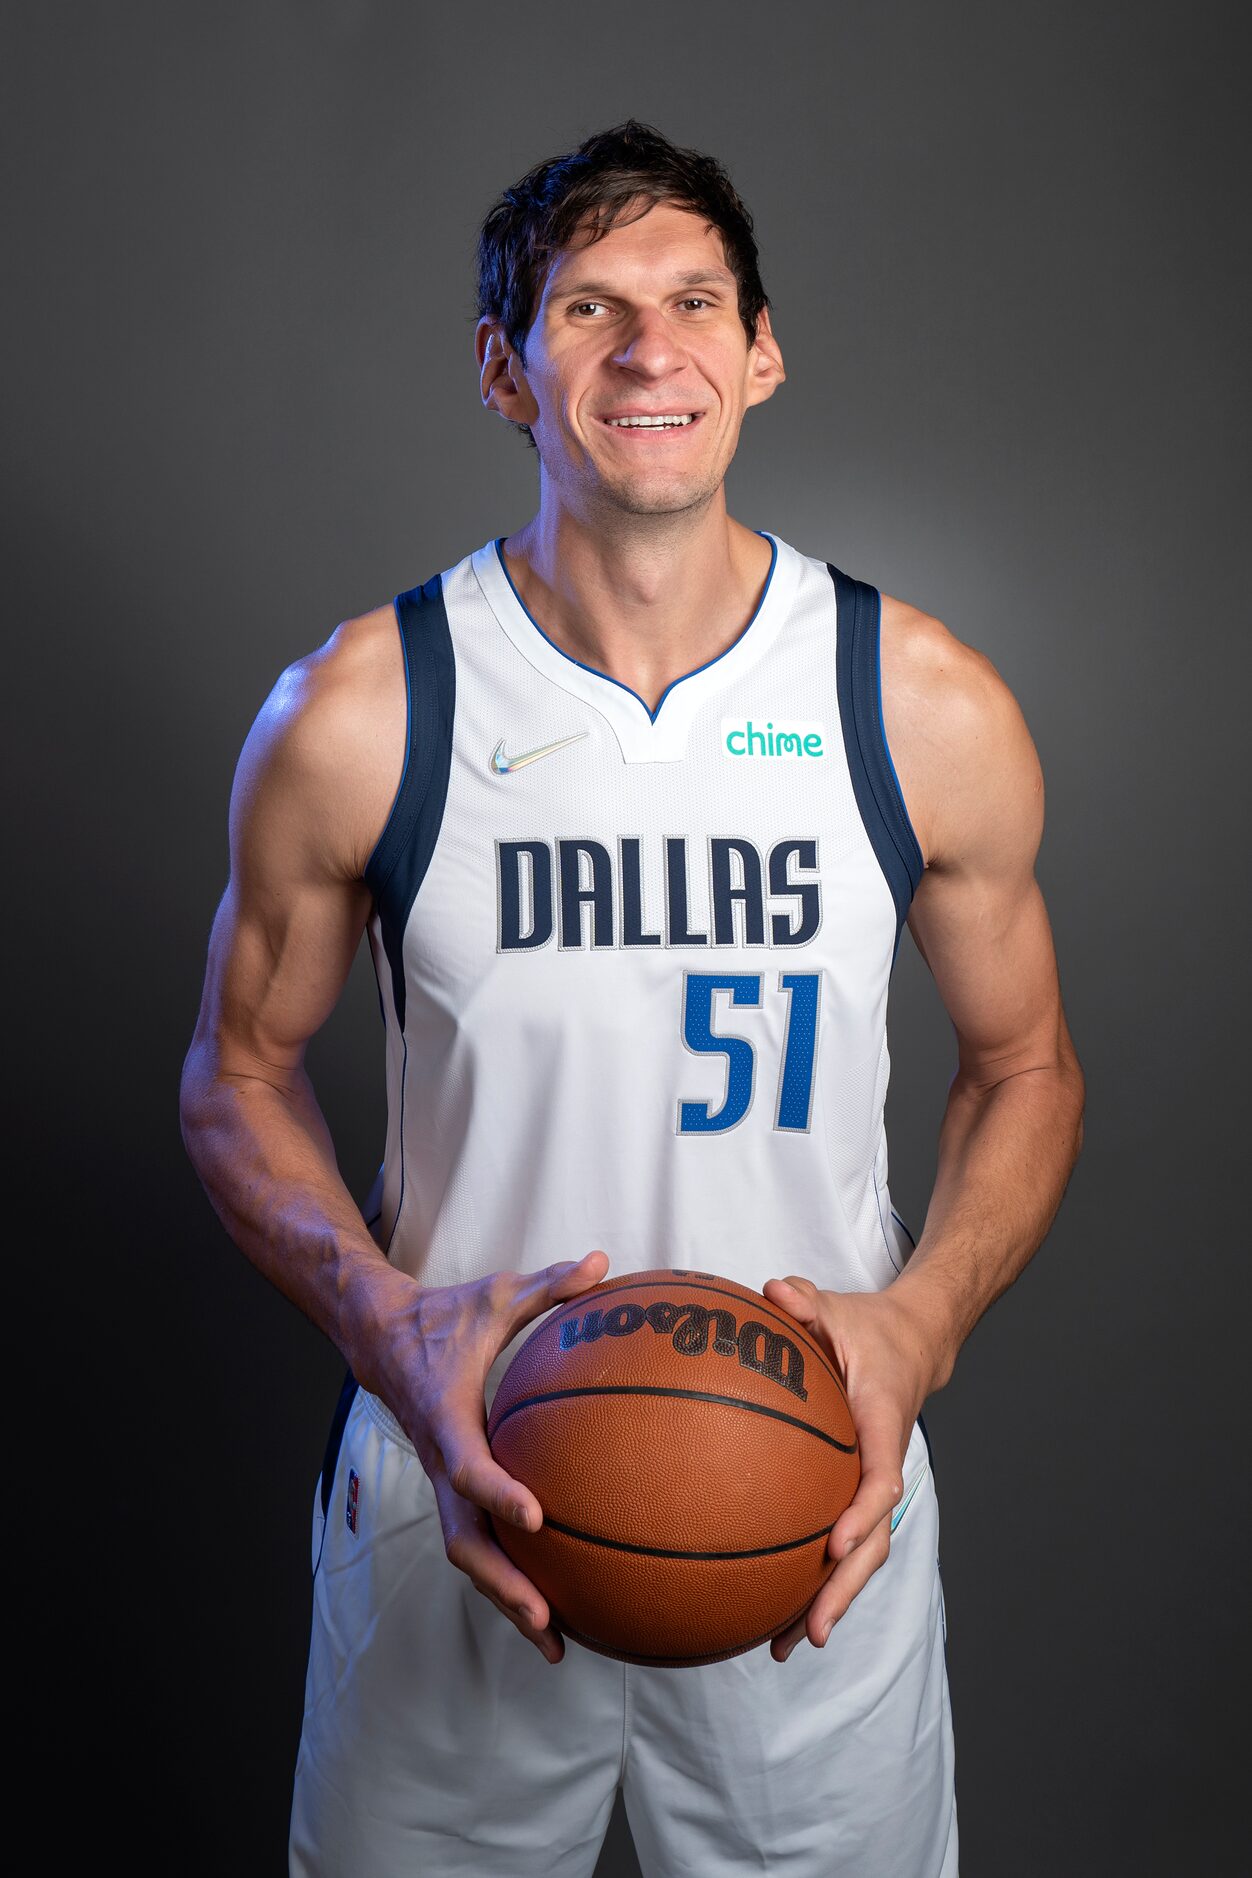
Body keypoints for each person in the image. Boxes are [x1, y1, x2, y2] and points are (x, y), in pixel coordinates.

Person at [180, 119, 1084, 1878]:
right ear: (506, 371)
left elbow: (1029, 1065)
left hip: (811, 1513)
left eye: (692, 302)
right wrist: (388, 1325)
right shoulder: (366, 708)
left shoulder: (915, 703)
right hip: (459, 1497)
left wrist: (921, 1324)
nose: (649, 348)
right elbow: (236, 1078)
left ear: (761, 350)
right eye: (589, 310)